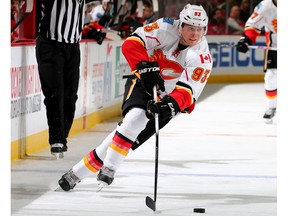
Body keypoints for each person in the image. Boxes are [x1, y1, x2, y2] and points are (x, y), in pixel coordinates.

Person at [57, 4, 213, 192]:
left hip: (169, 98)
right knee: (134, 119)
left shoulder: (202, 56)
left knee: (124, 135)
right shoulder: (164, 27)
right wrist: (143, 65)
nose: (195, 34)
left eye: (199, 29)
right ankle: (110, 168)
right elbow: (132, 42)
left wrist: (170, 105)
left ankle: (76, 173)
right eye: (190, 28)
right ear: (181, 25)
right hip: (143, 81)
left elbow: (188, 92)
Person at [35, 0, 85, 159]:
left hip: (73, 47)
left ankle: (62, 136)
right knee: (55, 93)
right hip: (50, 44)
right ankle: (57, 138)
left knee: (70, 96)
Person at [236, 0, 277, 122]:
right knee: (271, 78)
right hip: (275, 48)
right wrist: (246, 39)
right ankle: (271, 107)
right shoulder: (265, 6)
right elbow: (253, 25)